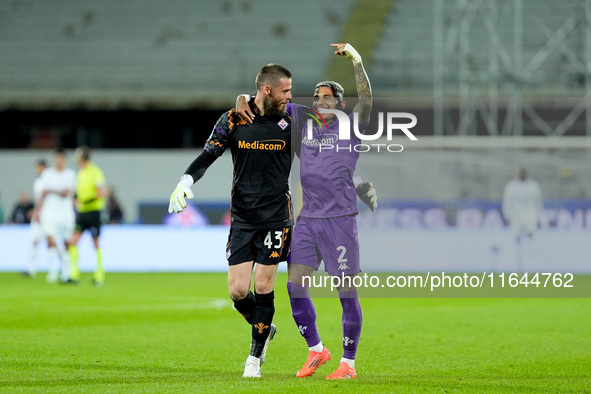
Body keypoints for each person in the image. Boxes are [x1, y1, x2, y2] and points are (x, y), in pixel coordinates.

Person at [236, 43, 376, 379]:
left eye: (328, 97)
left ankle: (349, 363)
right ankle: (316, 350)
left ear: (341, 104)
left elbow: (367, 99)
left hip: (340, 222)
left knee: (346, 292)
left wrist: (356, 58)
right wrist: (242, 98)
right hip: (308, 222)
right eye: (317, 97)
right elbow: (268, 100)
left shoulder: (351, 126)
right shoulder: (302, 121)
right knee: (295, 287)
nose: (321, 101)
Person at [168, 64, 295, 378]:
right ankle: (265, 328)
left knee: (263, 285)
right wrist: (186, 180)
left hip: (276, 216)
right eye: (285, 90)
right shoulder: (233, 119)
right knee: (238, 291)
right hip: (242, 218)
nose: (290, 96)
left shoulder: (293, 119)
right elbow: (208, 154)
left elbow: (325, 151)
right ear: (266, 89)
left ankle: (253, 358)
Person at [32, 149, 76, 283]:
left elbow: (67, 193)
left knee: (66, 241)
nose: (58, 160)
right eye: (56, 158)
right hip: (49, 212)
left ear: (65, 160)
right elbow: (42, 195)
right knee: (50, 238)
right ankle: (58, 265)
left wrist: (50, 191)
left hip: (65, 213)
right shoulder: (47, 174)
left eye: (61, 158)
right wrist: (37, 211)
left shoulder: (70, 174)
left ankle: (65, 272)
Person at [68, 146, 107, 286]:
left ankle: (99, 274)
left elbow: (101, 192)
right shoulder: (81, 173)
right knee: (73, 242)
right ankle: (73, 274)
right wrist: (75, 199)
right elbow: (78, 192)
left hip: (93, 212)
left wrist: (86, 200)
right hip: (82, 213)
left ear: (81, 158)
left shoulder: (95, 172)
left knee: (95, 242)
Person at [502, 168, 543, 273]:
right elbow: (507, 202)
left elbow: (538, 203)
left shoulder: (533, 186)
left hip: (530, 216)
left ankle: (529, 267)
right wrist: (508, 216)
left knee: (530, 240)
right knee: (517, 241)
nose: (522, 175)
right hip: (516, 217)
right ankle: (518, 267)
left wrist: (538, 217)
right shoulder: (511, 186)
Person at [22, 159, 47, 277]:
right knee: (35, 240)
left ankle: (58, 268)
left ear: (43, 167)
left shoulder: (48, 181)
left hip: (47, 215)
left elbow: (46, 199)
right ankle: (31, 268)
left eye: (38, 167)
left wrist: (38, 211)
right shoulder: (38, 181)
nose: (36, 170)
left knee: (51, 240)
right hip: (39, 214)